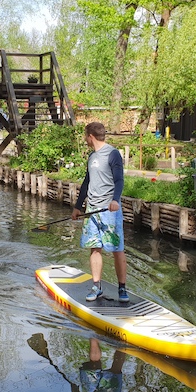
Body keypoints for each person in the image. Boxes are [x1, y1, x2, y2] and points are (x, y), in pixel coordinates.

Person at [71, 121, 129, 303]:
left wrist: (115, 200)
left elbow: (119, 180)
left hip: (109, 210)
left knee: (116, 250)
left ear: (90, 136)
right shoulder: (92, 156)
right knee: (95, 248)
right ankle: (96, 287)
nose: (85, 139)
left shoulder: (113, 154)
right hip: (92, 209)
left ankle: (122, 288)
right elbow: (86, 182)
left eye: (85, 136)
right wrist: (78, 206)